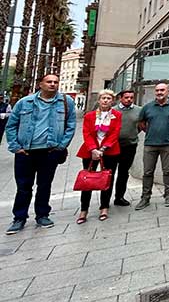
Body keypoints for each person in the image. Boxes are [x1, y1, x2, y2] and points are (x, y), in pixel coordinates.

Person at [5, 74, 76, 235]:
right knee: (23, 186)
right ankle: (19, 218)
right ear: (40, 84)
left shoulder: (66, 102)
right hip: (26, 152)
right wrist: (15, 147)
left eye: (56, 82)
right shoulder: (25, 102)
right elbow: (11, 125)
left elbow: (71, 125)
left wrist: (61, 146)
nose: (53, 84)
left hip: (50, 151)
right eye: (49, 82)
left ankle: (42, 215)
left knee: (45, 185)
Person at [75, 89, 122, 223]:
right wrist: (93, 149)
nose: (106, 100)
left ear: (112, 101)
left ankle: (104, 207)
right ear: (99, 100)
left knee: (107, 179)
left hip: (110, 151)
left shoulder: (117, 115)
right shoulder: (90, 116)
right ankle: (84, 209)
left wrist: (103, 148)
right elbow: (86, 133)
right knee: (87, 179)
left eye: (108, 98)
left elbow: (115, 133)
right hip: (90, 151)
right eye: (103, 98)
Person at [136, 83, 169, 210]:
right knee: (147, 172)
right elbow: (141, 123)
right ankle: (145, 197)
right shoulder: (147, 107)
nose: (159, 92)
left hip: (168, 144)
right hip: (150, 144)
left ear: (168, 91)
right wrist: (151, 131)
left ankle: (168, 195)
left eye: (162, 90)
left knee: (167, 171)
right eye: (157, 90)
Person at [113, 90, 141, 206]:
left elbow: (140, 126)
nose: (129, 99)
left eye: (131, 97)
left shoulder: (139, 110)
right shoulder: (113, 110)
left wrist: (133, 135)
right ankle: (105, 199)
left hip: (130, 146)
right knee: (110, 173)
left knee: (124, 172)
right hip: (113, 146)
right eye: (126, 97)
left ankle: (119, 197)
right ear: (120, 98)